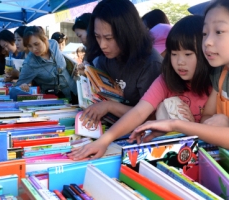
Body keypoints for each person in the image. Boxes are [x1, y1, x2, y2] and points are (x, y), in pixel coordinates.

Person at [69, 15, 212, 160]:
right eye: (174, 54)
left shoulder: (216, 86)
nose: (180, 62)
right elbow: (139, 112)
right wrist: (104, 141)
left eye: (188, 54)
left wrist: (190, 126)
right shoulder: (165, 80)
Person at [127, 0, 229, 150]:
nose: (207, 41)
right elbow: (206, 117)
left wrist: (176, 124)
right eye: (205, 33)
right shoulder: (220, 74)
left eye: (219, 31)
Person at [79, 0, 162, 129]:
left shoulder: (151, 64)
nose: (102, 45)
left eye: (109, 38)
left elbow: (150, 116)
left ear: (128, 33)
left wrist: (109, 107)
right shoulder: (103, 56)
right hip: (108, 127)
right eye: (97, 36)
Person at [9, 26, 77, 103]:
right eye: (29, 46)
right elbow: (14, 92)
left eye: (36, 44)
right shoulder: (30, 63)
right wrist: (23, 88)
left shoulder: (54, 44)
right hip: (56, 103)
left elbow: (63, 66)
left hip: (75, 92)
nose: (34, 49)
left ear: (44, 39)